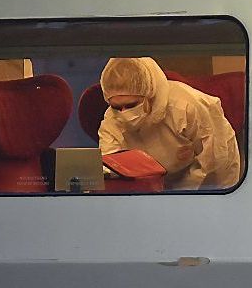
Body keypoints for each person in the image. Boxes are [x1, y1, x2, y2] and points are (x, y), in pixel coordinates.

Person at [98, 57, 241, 190]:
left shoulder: (186, 106)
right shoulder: (111, 120)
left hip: (206, 178)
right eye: (116, 107)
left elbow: (215, 160)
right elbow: (110, 167)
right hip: (151, 185)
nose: (124, 113)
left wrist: (185, 196)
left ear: (149, 94)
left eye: (131, 105)